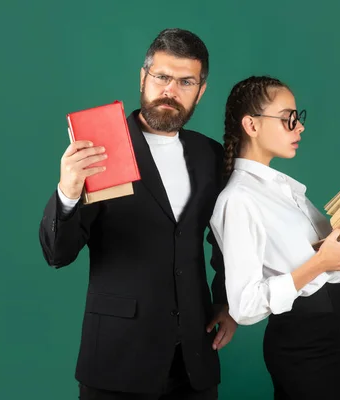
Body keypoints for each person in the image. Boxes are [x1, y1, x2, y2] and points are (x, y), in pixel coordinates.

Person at [38, 28, 238, 400]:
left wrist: (227, 302)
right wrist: (68, 191)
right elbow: (57, 253)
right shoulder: (100, 148)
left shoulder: (210, 154)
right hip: (117, 359)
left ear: (201, 90)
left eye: (185, 81)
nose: (170, 90)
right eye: (162, 77)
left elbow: (227, 236)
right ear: (143, 78)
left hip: (194, 362)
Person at [209, 76, 340, 400]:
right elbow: (244, 306)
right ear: (251, 125)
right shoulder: (239, 199)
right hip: (301, 351)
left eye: (299, 118)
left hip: (327, 347)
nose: (299, 127)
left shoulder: (285, 190)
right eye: (288, 118)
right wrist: (318, 264)